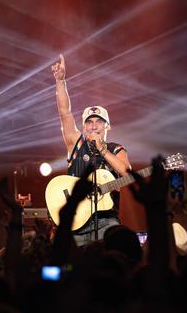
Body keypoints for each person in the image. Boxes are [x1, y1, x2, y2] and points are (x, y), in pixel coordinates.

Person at [51, 54, 131, 246]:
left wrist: (103, 151)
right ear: (84, 127)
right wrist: (61, 82)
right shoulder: (76, 143)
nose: (93, 126)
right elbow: (65, 113)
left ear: (107, 126)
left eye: (98, 122)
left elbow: (127, 174)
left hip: (107, 221)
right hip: (76, 220)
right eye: (89, 122)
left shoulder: (116, 149)